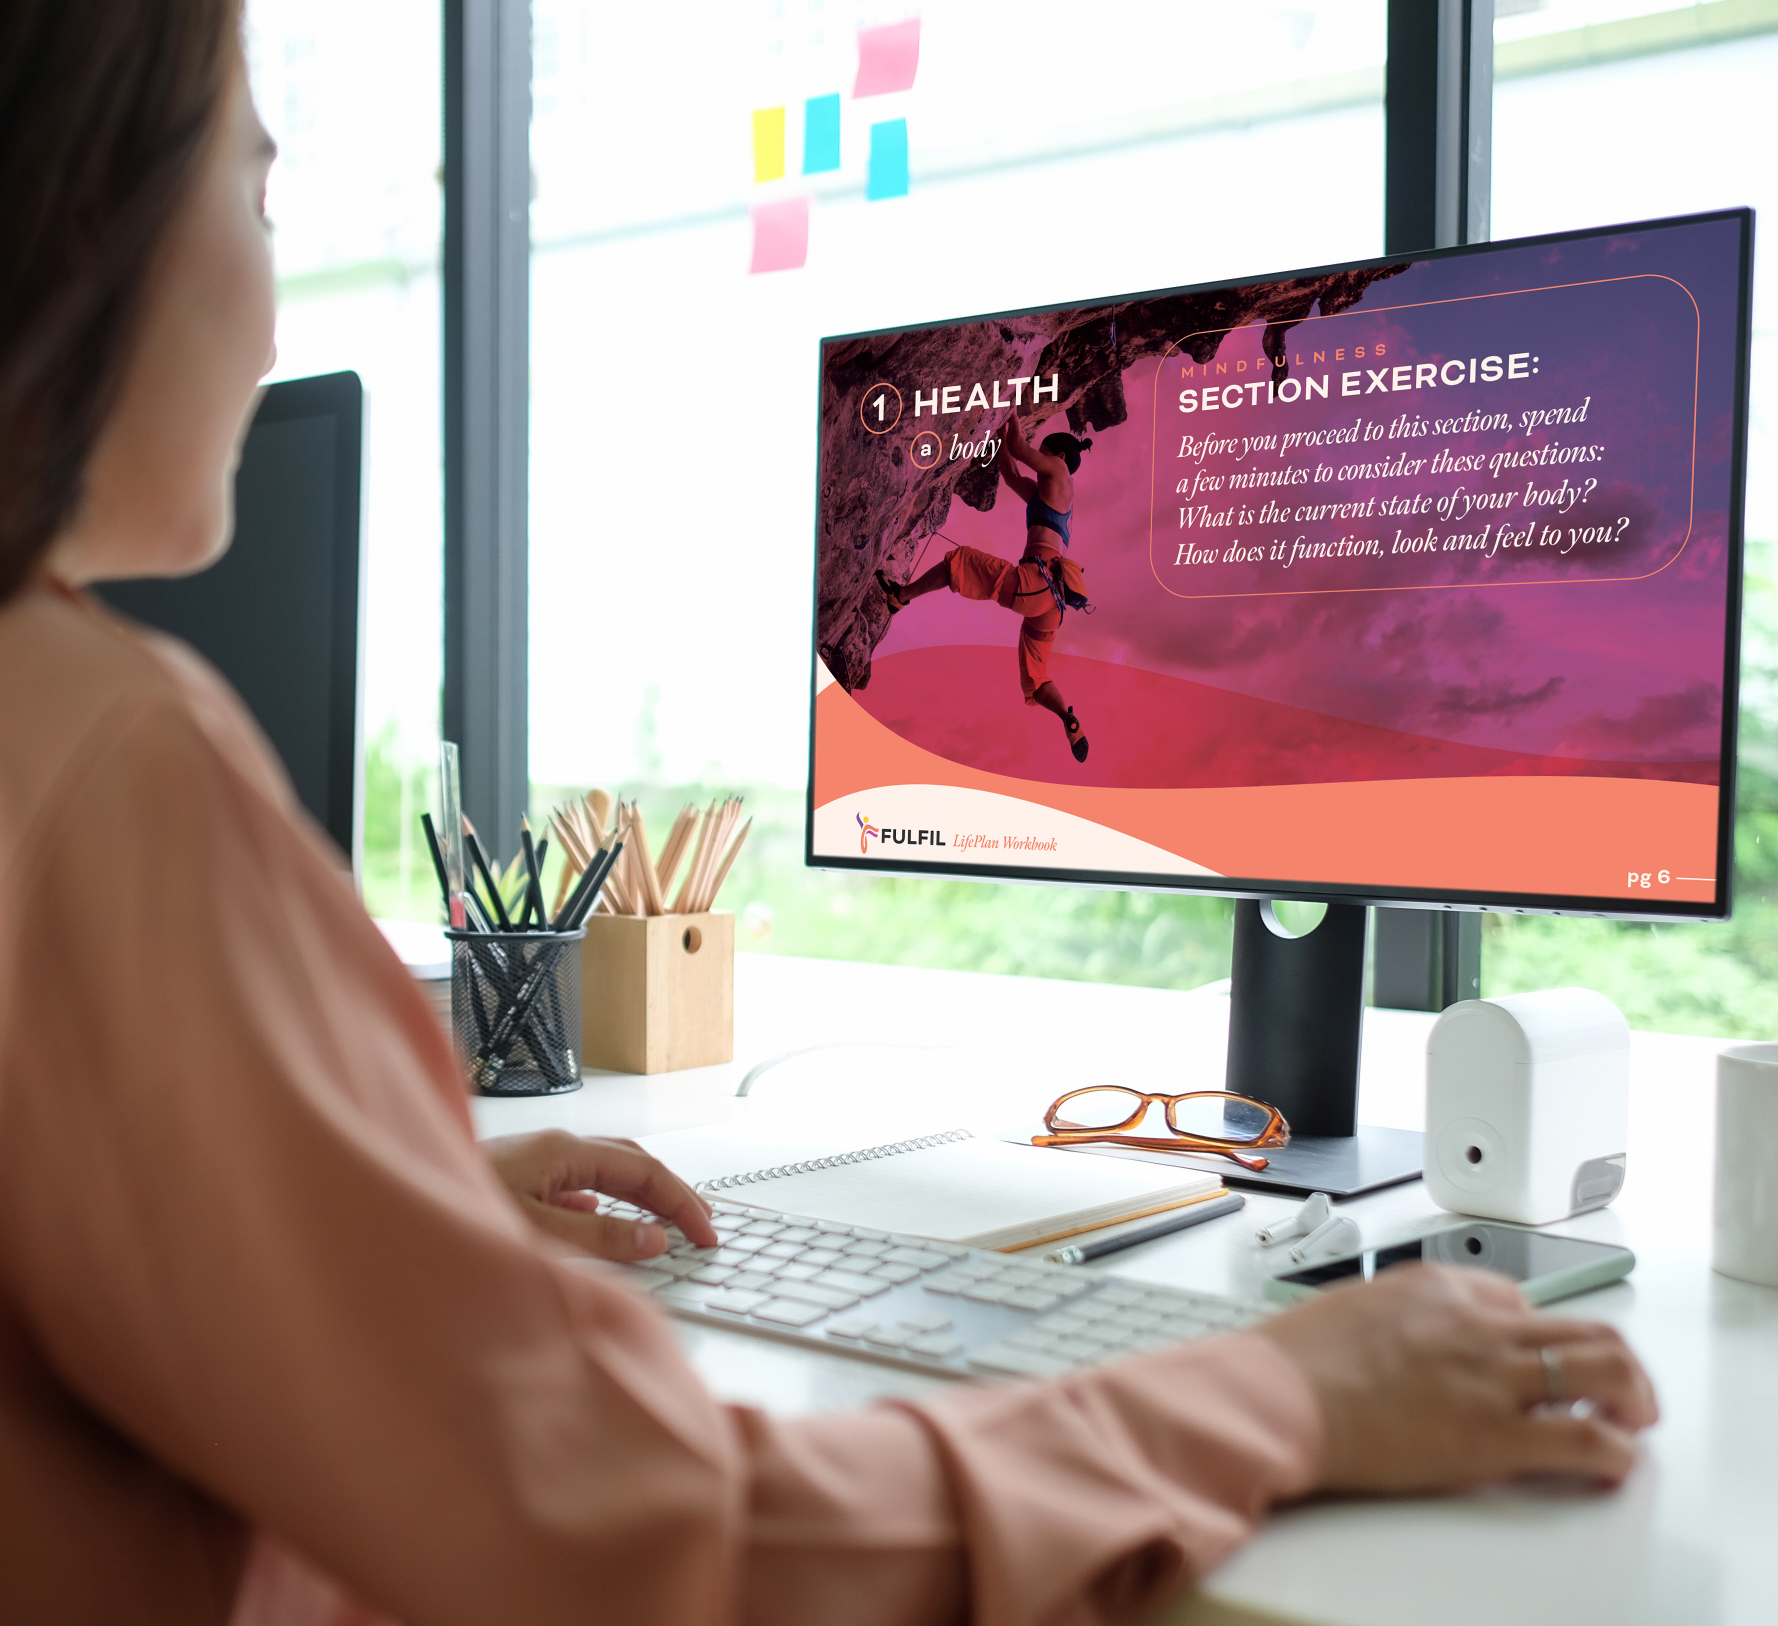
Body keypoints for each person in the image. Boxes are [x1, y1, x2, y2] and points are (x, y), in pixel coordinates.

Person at [0, 4, 1658, 1623]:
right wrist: (1272, 1401)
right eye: (259, 190)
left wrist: (370, 1222)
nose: (280, 310)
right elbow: (626, 1543)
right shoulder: (110, 758)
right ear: (86, 202)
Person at [877, 414, 1095, 762]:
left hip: (1035, 585)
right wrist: (999, 428)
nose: (1041, 458)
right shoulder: (1050, 495)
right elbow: (1010, 474)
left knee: (958, 563)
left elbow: (1019, 448)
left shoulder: (1059, 471)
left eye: (1046, 452)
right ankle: (1068, 719)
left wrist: (1010, 410)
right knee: (1036, 680)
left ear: (1060, 456)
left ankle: (898, 597)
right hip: (1052, 607)